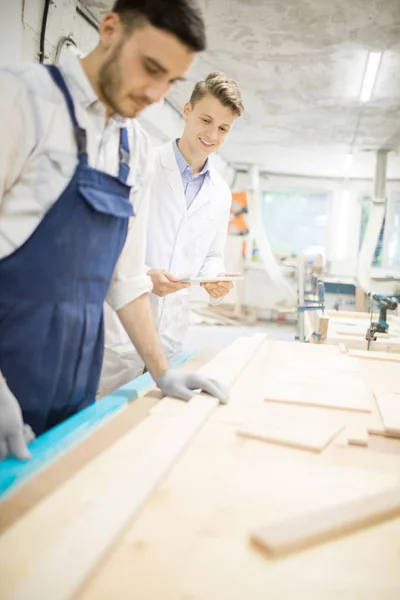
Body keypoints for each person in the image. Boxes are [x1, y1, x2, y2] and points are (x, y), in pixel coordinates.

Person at [0, 0, 229, 462]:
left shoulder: (134, 145)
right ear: (109, 30)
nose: (155, 92)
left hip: (79, 375)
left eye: (170, 81)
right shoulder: (19, 98)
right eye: (150, 68)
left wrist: (162, 372)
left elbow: (125, 281)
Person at [100, 72, 244, 396]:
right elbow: (110, 244)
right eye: (206, 119)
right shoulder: (143, 166)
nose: (212, 134)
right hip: (119, 330)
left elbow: (210, 254)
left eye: (223, 128)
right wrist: (146, 276)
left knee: (151, 421)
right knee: (102, 422)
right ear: (188, 110)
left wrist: (214, 278)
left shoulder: (221, 192)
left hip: (170, 333)